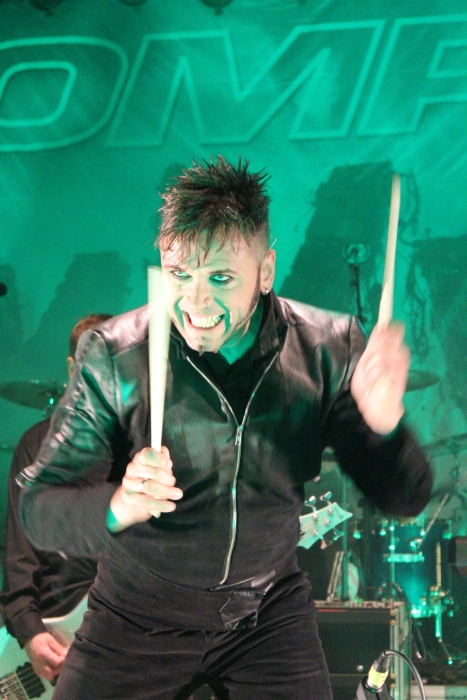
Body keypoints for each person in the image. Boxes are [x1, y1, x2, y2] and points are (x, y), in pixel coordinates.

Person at [18, 157, 432, 700]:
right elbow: (39, 507)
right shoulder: (116, 356)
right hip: (136, 617)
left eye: (220, 277)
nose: (195, 303)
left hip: (265, 614)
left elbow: (404, 498)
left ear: (265, 271)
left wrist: (387, 427)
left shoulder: (327, 351)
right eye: (180, 275)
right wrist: (117, 505)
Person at [1, 313, 113, 681]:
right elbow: (20, 554)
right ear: (71, 368)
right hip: (55, 635)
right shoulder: (37, 445)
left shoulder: (146, 447)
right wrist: (30, 631)